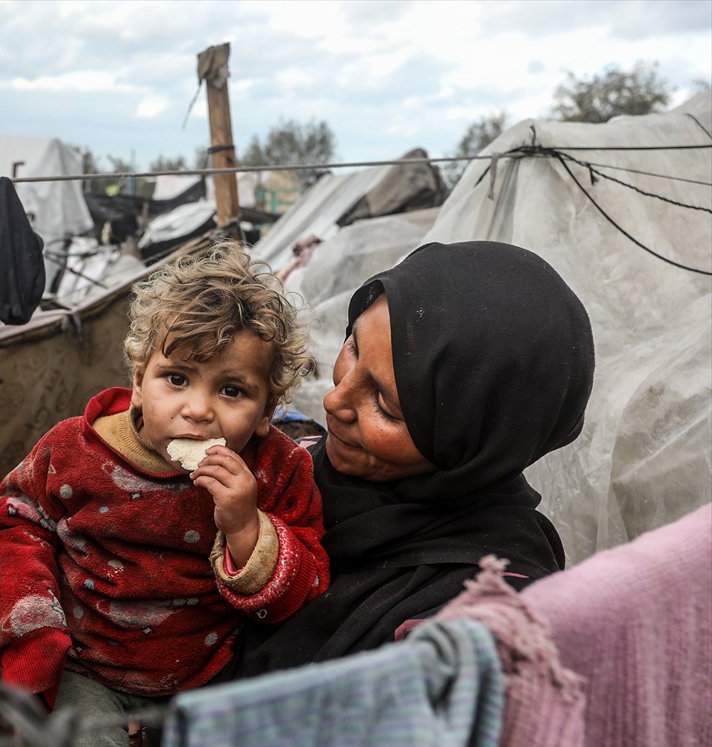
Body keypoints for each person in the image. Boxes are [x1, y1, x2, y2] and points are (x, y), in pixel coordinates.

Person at [0, 240, 330, 747]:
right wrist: (33, 637)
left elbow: (309, 587)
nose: (197, 409)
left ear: (266, 412)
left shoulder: (278, 470)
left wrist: (245, 525)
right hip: (86, 668)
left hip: (210, 673)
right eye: (177, 378)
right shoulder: (74, 452)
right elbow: (13, 525)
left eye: (232, 390)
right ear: (139, 379)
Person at [218, 239, 596, 677]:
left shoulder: (482, 617)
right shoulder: (288, 471)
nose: (334, 399)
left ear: (470, 442)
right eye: (354, 348)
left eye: (385, 405)